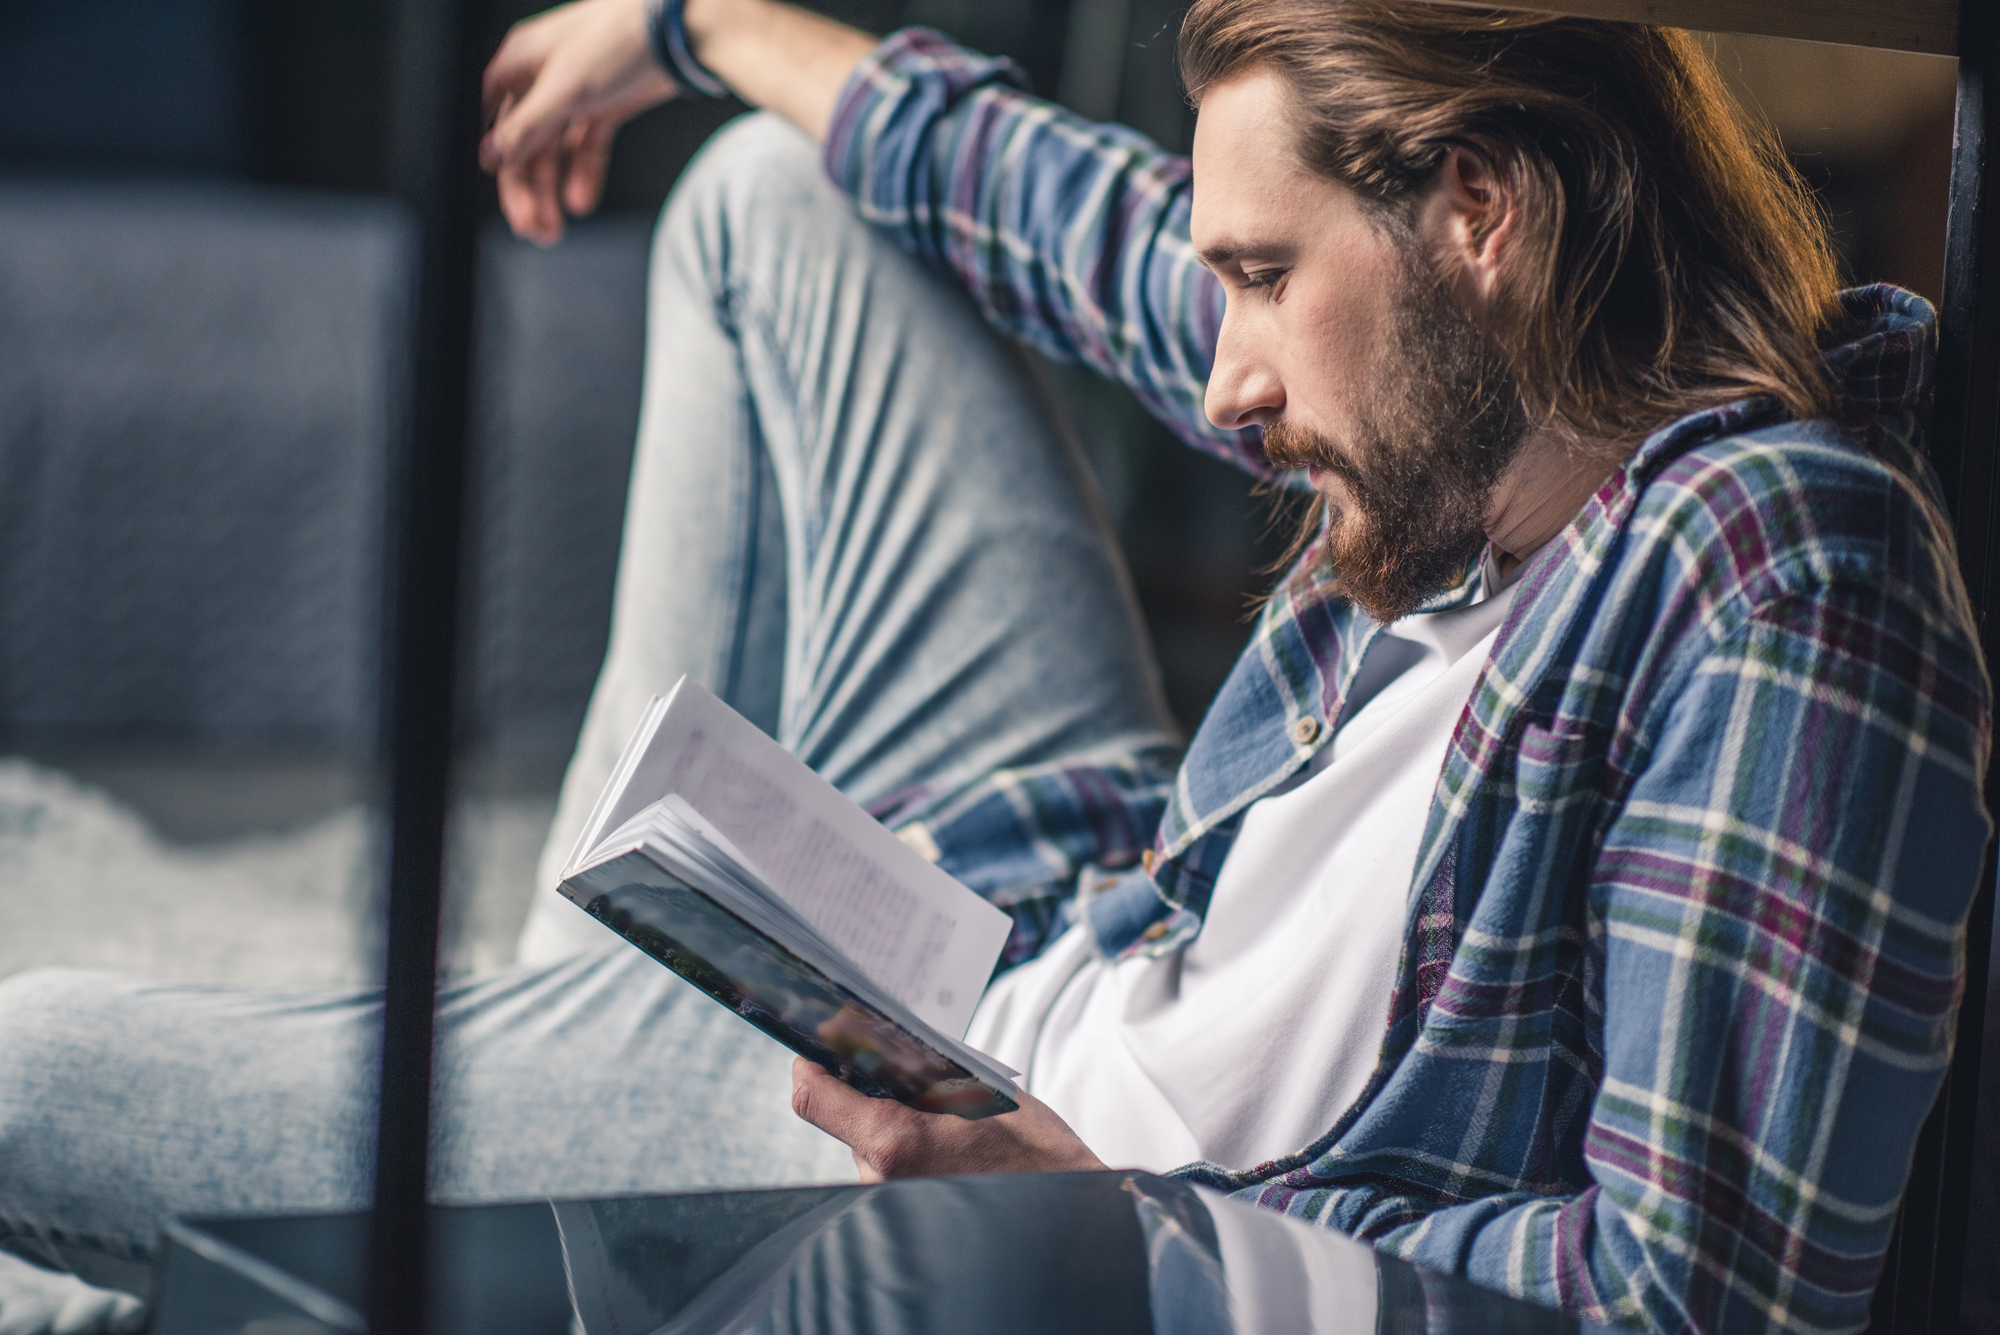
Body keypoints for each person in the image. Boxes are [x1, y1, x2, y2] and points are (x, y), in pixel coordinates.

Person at [0, 0, 1987, 1331]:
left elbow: (1681, 1289)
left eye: (1264, 280)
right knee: (782, 198)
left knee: (33, 1072)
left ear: (1483, 210)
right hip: (1052, 916)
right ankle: (564, 1031)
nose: (1221, 372)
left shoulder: (1770, 567)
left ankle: (562, 1119)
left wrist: (1118, 1191)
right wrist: (697, 22)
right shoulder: (1477, 420)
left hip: (1019, 1144)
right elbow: (1085, 224)